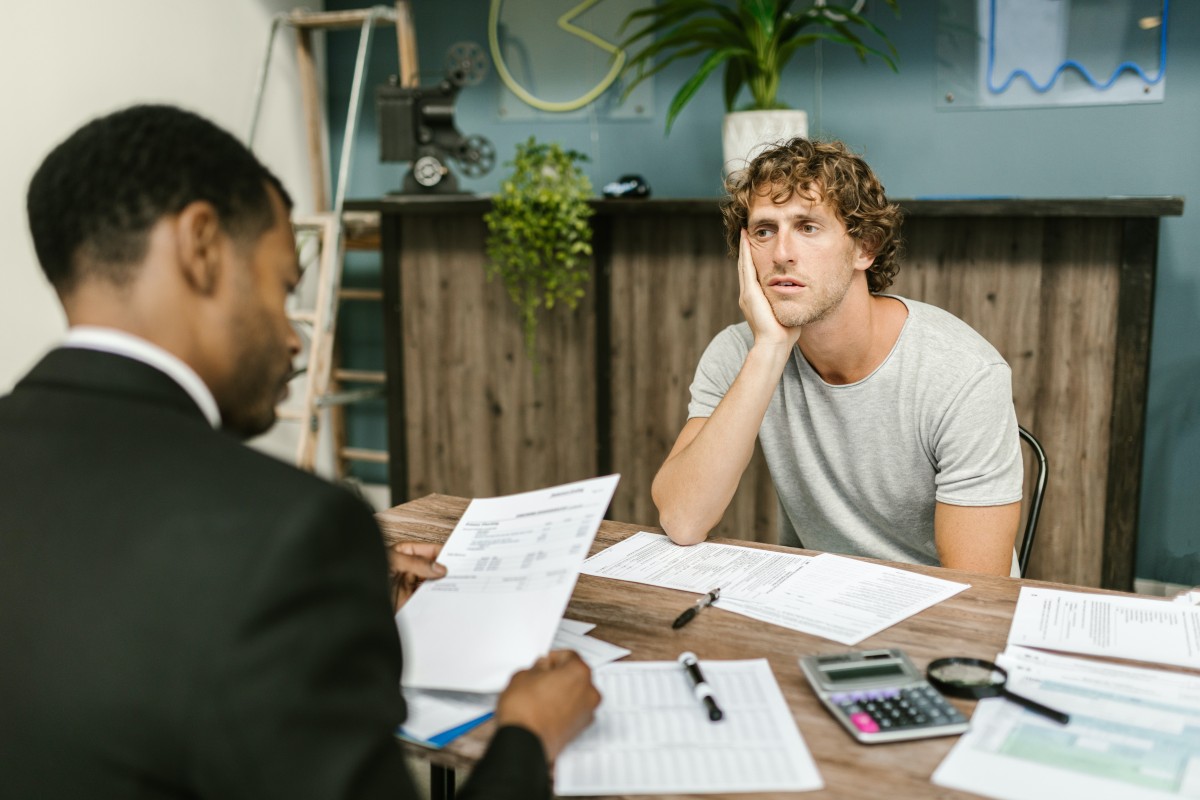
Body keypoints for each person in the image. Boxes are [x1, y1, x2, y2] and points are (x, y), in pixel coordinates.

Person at [0, 104, 598, 799]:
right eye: (284, 288)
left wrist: (314, 613)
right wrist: (527, 735)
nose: (294, 337)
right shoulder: (292, 534)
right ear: (201, 247)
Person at [652, 138, 1023, 576]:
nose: (782, 253)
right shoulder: (739, 352)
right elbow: (682, 519)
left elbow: (975, 592)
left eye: (807, 227)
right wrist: (770, 350)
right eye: (764, 230)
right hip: (815, 601)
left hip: (930, 617)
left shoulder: (963, 374)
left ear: (864, 248)